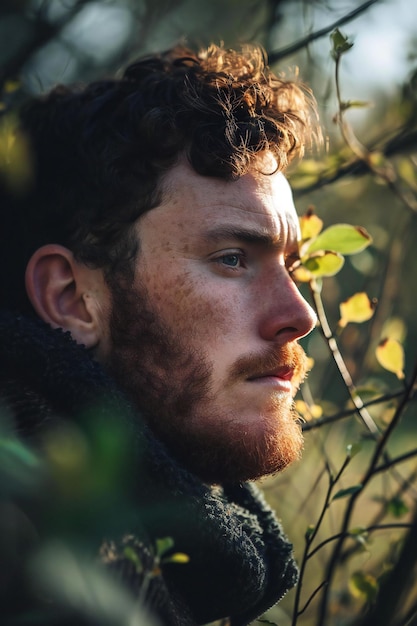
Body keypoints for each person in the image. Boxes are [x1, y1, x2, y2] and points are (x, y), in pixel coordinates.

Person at [0, 44, 321, 625]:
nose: (300, 316)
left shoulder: (183, 564)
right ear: (71, 299)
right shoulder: (37, 557)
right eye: (231, 258)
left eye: (292, 267)